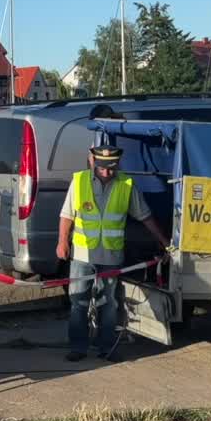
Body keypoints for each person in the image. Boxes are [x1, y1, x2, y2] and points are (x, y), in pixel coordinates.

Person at [56, 144, 170, 362]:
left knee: (108, 305)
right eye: (101, 167)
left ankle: (106, 348)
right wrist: (62, 242)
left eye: (111, 167)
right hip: (82, 255)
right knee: (78, 302)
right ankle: (78, 347)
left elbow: (145, 216)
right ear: (92, 162)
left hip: (110, 256)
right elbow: (67, 215)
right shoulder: (79, 181)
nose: (106, 172)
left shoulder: (126, 184)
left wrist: (163, 241)